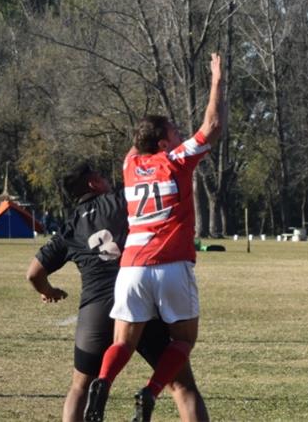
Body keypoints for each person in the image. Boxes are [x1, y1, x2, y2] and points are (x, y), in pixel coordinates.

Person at [84, 52, 225, 422]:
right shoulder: (175, 160)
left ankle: (102, 382)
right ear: (163, 144)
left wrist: (147, 127)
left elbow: (137, 142)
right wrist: (217, 81)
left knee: (121, 343)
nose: (180, 134)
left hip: (131, 268)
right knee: (183, 341)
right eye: (174, 131)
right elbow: (212, 126)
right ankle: (150, 391)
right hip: (171, 266)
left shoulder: (130, 165)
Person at [28, 163, 208, 422]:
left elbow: (33, 273)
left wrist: (49, 291)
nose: (106, 179)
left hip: (96, 308)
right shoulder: (123, 200)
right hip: (139, 297)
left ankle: (101, 387)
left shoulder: (71, 226)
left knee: (80, 388)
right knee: (182, 386)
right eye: (100, 175)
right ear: (92, 183)